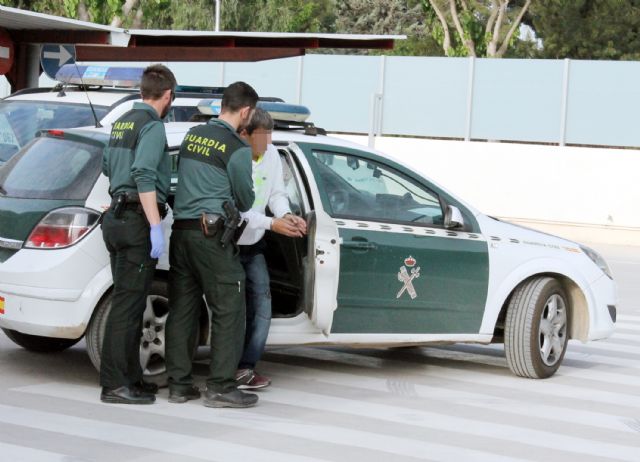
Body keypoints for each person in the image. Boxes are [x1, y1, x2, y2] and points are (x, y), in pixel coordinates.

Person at [166, 81, 259, 408]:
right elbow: (246, 199)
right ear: (245, 111)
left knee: (182, 310)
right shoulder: (236, 147)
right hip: (212, 238)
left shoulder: (193, 135)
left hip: (181, 234)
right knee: (229, 308)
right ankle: (220, 387)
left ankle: (178, 385)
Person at [100, 64, 176, 404]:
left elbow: (107, 167)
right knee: (128, 308)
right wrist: (155, 226)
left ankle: (131, 378)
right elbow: (144, 174)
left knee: (127, 303)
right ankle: (116, 385)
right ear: (168, 95)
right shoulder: (153, 126)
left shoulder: (122, 123)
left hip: (116, 219)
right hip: (135, 222)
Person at [235, 108, 307, 389]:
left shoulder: (273, 155)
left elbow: (277, 194)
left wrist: (286, 215)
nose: (267, 141)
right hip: (229, 243)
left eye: (269, 134)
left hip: (254, 242)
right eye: (262, 136)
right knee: (231, 309)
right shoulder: (236, 158)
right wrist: (272, 224)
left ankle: (246, 367)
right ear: (246, 135)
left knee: (262, 302)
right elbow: (238, 209)